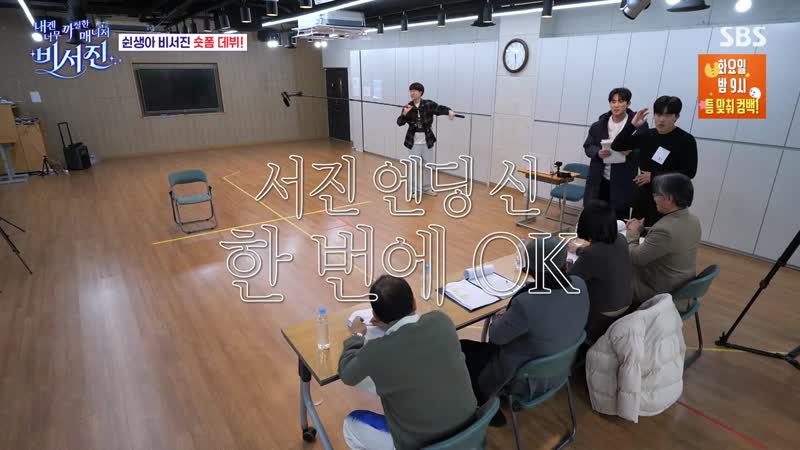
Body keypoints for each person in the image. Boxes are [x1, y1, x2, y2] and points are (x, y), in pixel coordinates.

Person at [460, 236, 589, 426]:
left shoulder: (526, 303)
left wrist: (500, 317)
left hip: (526, 378)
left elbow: (495, 336)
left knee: (462, 349)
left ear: (530, 270)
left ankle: (481, 402)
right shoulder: (580, 284)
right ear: (566, 263)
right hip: (560, 370)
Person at [339, 275, 476, 450]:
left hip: (423, 444)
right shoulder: (441, 320)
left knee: (351, 424)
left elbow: (347, 373)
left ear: (376, 316)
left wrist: (357, 335)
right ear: (414, 304)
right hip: (471, 430)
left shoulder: (376, 351)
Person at [612, 95, 698, 227]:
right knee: (635, 230)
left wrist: (654, 176)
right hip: (644, 195)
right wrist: (632, 125)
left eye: (667, 115)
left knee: (659, 233)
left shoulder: (686, 140)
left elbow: (689, 172)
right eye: (658, 114)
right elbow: (617, 145)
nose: (661, 119)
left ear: (676, 117)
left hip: (668, 198)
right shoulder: (648, 135)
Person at [625, 173, 701, 305]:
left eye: (656, 194)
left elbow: (635, 258)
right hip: (680, 284)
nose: (654, 198)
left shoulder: (665, 229)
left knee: (613, 270)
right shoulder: (693, 220)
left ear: (669, 198)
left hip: (660, 292)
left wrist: (632, 233)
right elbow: (670, 238)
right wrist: (642, 229)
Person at [568, 200, 633, 341]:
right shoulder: (621, 239)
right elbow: (603, 257)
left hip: (603, 313)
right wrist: (579, 250)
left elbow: (569, 281)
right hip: (625, 303)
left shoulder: (592, 253)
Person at [583, 88, 648, 220]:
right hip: (599, 177)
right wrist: (597, 153)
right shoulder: (599, 124)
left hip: (622, 179)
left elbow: (644, 148)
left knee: (618, 218)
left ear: (628, 104)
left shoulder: (638, 124)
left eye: (621, 101)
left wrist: (631, 150)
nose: (616, 105)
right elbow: (588, 146)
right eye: (613, 102)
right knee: (595, 215)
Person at [396, 82, 456, 197]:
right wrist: (404, 113)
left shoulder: (428, 104)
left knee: (428, 166)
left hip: (427, 140)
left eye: (414, 91)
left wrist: (449, 111)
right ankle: (413, 190)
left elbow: (439, 108)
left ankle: (426, 188)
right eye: (410, 91)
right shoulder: (408, 106)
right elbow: (399, 123)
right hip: (413, 142)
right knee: (414, 166)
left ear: (421, 92)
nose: (412, 93)